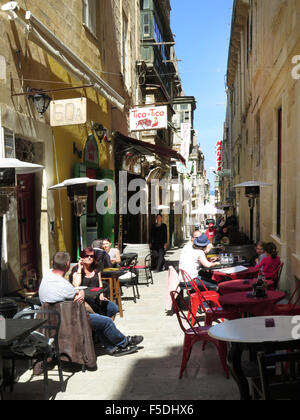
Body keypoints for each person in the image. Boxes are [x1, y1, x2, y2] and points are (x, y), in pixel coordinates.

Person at [39, 252, 143, 356]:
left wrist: (81, 295)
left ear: (52, 263)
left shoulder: (47, 274)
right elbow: (80, 300)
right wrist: (82, 294)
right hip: (68, 319)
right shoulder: (65, 286)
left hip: (51, 317)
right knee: (106, 321)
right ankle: (123, 342)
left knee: (101, 314)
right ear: (68, 264)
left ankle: (112, 347)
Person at [71, 247, 118, 318]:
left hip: (96, 298)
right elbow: (76, 284)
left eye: (91, 256)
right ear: (82, 258)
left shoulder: (96, 268)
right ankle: (100, 321)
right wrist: (80, 269)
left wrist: (101, 294)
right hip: (85, 299)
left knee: (114, 308)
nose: (89, 258)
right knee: (100, 313)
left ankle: (101, 321)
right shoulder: (76, 269)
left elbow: (100, 283)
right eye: (86, 256)